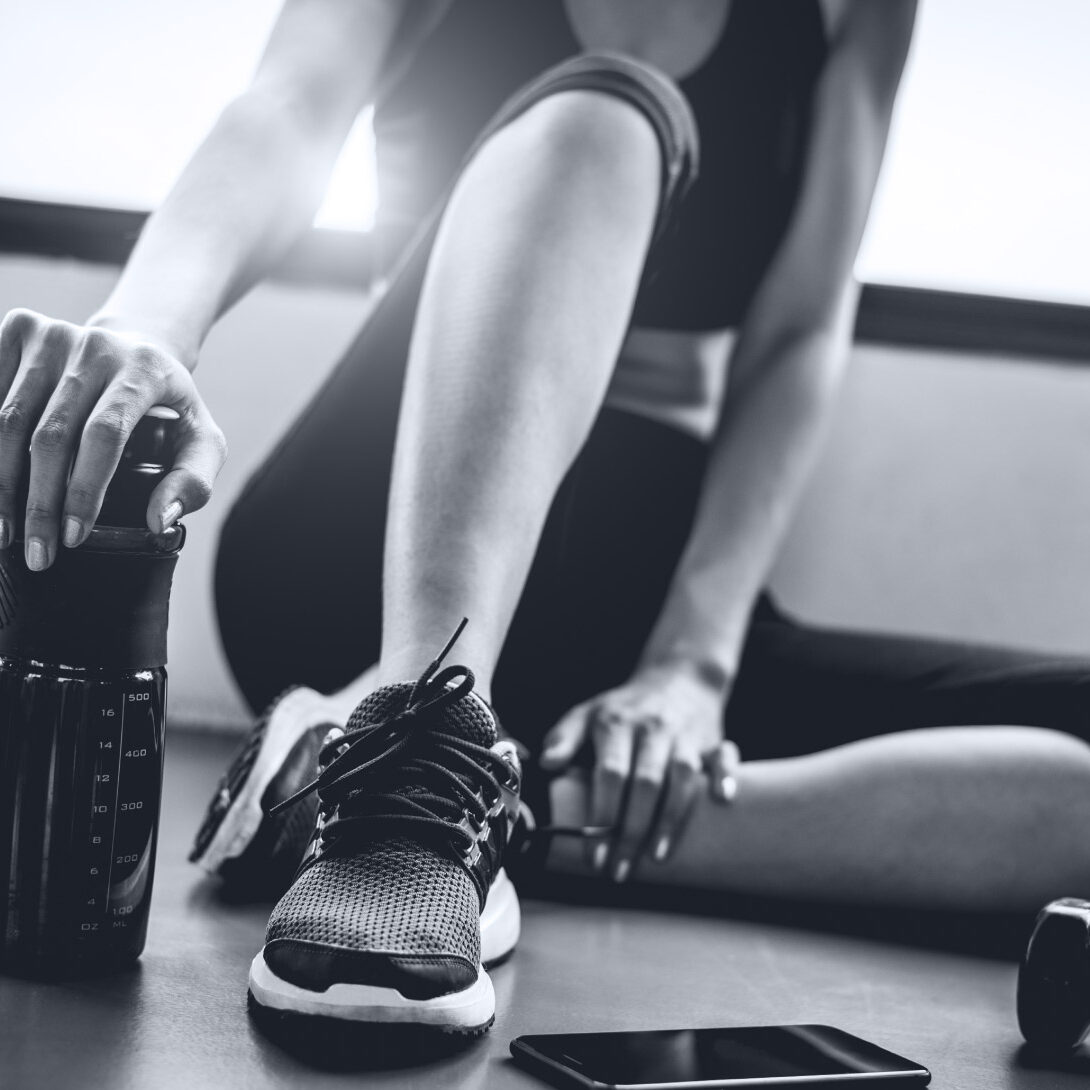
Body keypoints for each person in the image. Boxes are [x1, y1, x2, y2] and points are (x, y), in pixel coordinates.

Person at [4, 0, 1090, 1037]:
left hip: (633, 592)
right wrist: (143, 326)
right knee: (609, 111)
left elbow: (798, 336)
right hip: (375, 545)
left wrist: (691, 667)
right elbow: (288, 108)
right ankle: (406, 735)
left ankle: (463, 805)